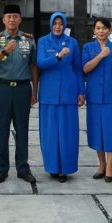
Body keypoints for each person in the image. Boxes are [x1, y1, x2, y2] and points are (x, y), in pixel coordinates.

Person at [0, 4, 38, 184]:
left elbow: (33, 67)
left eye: (15, 16)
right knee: (2, 130)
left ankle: (23, 168)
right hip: (2, 89)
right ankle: (3, 169)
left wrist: (35, 91)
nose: (12, 20)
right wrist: (5, 51)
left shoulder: (29, 40)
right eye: (9, 16)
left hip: (23, 89)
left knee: (22, 130)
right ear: (3, 19)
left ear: (20, 19)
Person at [35, 12, 84, 183]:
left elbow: (78, 69)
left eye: (60, 23)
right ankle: (52, 167)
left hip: (68, 94)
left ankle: (65, 168)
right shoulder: (42, 41)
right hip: (49, 94)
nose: (57, 26)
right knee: (50, 133)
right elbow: (40, 63)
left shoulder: (73, 43)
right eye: (55, 23)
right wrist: (57, 56)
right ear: (50, 25)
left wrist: (81, 92)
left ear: (64, 25)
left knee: (67, 132)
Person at [82, 17, 112, 183]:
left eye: (104, 28)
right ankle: (101, 164)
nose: (101, 31)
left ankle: (110, 165)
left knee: (111, 131)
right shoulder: (88, 48)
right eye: (98, 28)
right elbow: (85, 68)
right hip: (93, 97)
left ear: (109, 30)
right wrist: (101, 55)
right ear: (94, 30)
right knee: (97, 131)